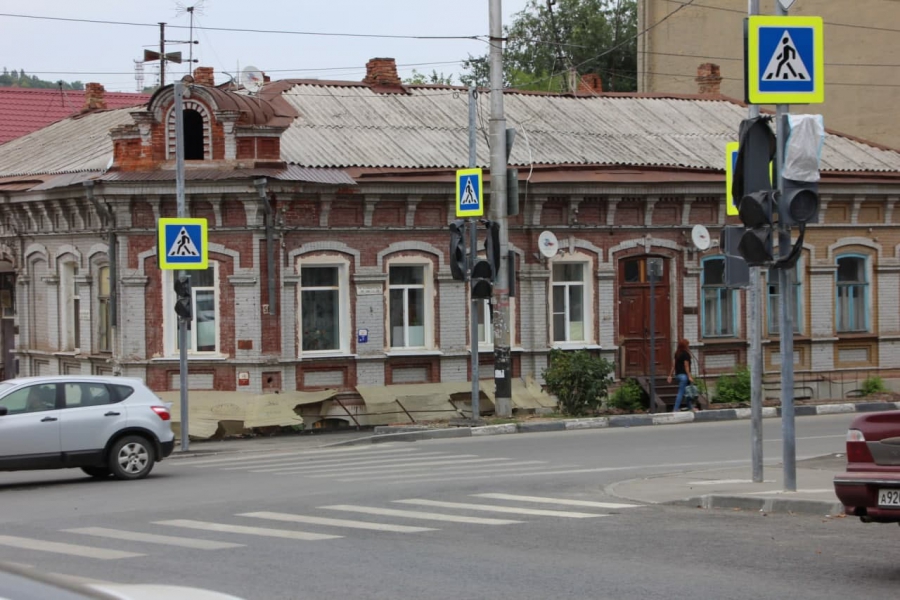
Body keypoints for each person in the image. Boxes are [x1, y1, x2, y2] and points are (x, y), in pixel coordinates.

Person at [667, 338, 695, 412]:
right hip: (684, 376)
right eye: (688, 345)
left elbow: (673, 365)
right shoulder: (686, 354)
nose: (688, 346)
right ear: (685, 346)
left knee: (687, 392)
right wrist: (689, 376)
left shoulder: (677, 354)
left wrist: (670, 375)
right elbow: (686, 366)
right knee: (681, 392)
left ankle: (690, 407)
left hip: (678, 376)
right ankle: (675, 408)